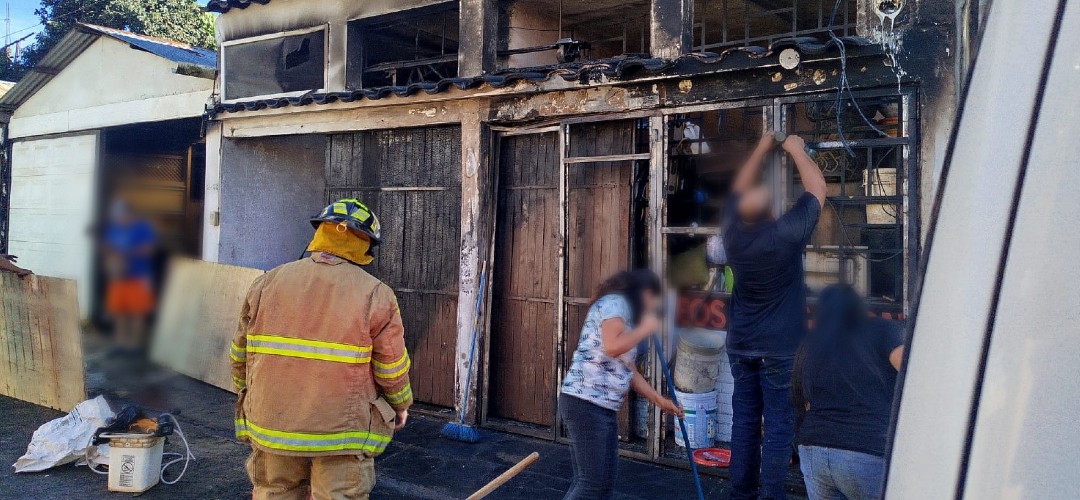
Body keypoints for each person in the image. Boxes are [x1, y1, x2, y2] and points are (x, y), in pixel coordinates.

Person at [230, 199, 411, 500]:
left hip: (273, 423)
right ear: (365, 246)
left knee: (275, 492)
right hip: (341, 432)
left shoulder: (266, 284)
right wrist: (401, 404)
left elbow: (240, 355)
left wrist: (247, 393)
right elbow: (391, 367)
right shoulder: (376, 295)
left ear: (319, 234)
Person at [722, 131, 825, 499]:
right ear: (770, 212)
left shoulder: (732, 234)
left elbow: (737, 188)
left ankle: (741, 493)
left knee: (745, 421)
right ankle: (771, 495)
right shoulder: (785, 233)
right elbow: (816, 189)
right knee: (779, 424)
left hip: (742, 344)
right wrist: (796, 148)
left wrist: (761, 146)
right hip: (780, 347)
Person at [559, 269, 682, 500]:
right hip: (585, 403)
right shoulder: (616, 303)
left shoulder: (625, 316)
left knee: (602, 484)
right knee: (591, 485)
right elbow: (612, 346)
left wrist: (660, 401)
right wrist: (645, 328)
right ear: (644, 293)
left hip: (600, 407)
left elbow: (629, 371)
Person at [793, 285, 904, 500]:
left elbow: (803, 403)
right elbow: (914, 375)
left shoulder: (812, 343)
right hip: (866, 450)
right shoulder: (882, 330)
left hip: (813, 449)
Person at [101, 199, 157, 351]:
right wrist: (111, 261)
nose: (119, 219)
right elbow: (107, 248)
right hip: (118, 278)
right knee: (119, 311)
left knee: (137, 312)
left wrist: (127, 254)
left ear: (129, 214)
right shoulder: (113, 229)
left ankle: (134, 344)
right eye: (116, 216)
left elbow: (149, 250)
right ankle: (121, 342)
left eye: (122, 216)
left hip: (139, 277)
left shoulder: (142, 228)